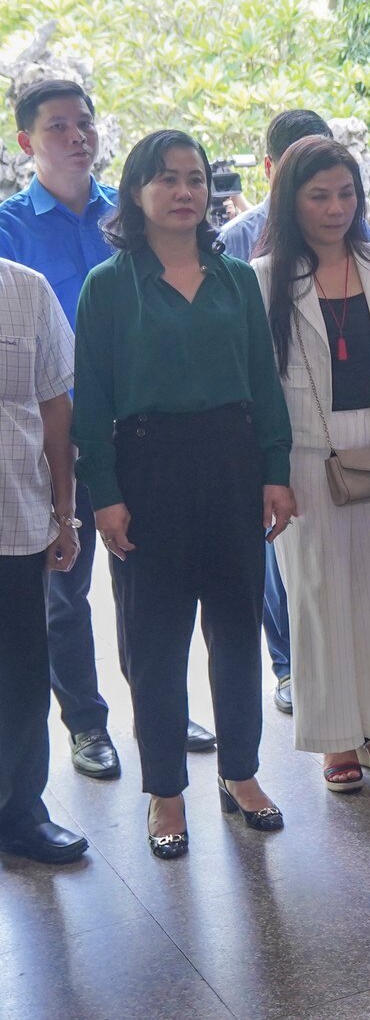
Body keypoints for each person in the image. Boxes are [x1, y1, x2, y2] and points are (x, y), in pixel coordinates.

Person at [72, 129, 297, 859]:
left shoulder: (235, 279)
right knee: (158, 642)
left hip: (233, 463)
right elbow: (91, 403)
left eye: (195, 178)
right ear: (135, 192)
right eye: (166, 178)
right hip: (149, 470)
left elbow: (264, 384)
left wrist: (276, 469)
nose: (183, 191)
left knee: (237, 631)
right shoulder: (108, 285)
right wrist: (103, 493)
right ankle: (165, 789)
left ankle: (241, 774)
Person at [0, 79, 215, 778]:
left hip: (141, 433)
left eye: (84, 123)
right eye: (58, 127)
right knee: (66, 583)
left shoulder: (127, 214)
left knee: (151, 580)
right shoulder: (9, 229)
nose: (77, 137)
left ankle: (162, 707)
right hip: (53, 433)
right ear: (28, 142)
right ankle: (86, 723)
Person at [254, 137, 370, 792]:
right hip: (304, 456)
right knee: (319, 595)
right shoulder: (266, 276)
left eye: (345, 194)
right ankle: (334, 739)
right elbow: (260, 386)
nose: (335, 208)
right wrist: (269, 475)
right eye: (319, 195)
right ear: (291, 198)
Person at [217, 107, 346, 719]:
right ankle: (289, 665)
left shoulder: (365, 251)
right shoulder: (240, 243)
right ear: (272, 171)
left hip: (344, 425)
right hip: (269, 425)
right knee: (282, 554)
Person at [0, 256, 89, 865]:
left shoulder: (25, 289)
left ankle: (22, 812)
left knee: (23, 678)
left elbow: (57, 406)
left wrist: (65, 514)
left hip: (15, 518)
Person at [216, 109, 339, 260]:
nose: (307, 184)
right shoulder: (236, 239)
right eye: (293, 173)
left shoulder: (349, 228)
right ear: (268, 167)